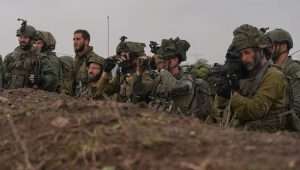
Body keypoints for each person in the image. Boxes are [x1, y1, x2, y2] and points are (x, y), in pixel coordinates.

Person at [216, 24, 289, 132]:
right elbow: (224, 111)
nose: (244, 59)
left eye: (247, 52)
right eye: (241, 54)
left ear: (260, 50)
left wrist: (233, 94)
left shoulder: (274, 76)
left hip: (270, 140)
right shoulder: (247, 76)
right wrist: (223, 92)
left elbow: (256, 110)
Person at [133, 37, 212, 119]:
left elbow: (175, 87)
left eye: (165, 59)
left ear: (175, 60)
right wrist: (139, 73)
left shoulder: (187, 78)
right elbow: (139, 92)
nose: (161, 62)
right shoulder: (159, 79)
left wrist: (162, 70)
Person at [3, 19, 57, 91]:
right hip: (11, 97)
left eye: (25, 38)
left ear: (32, 39)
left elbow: (52, 79)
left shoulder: (40, 58)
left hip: (31, 98)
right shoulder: (9, 57)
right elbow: (2, 77)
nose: (22, 40)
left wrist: (41, 79)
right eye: (20, 37)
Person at [266, 28, 300, 131]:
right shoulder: (269, 70)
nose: (267, 49)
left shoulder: (293, 69)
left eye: (271, 45)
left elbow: (297, 105)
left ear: (284, 46)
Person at [100, 36, 148, 102]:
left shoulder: (146, 73)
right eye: (120, 54)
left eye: (125, 54)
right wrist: (106, 72)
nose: (121, 57)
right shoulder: (121, 71)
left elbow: (138, 96)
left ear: (134, 56)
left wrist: (138, 74)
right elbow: (104, 91)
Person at [72, 29, 104, 96]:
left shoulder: (96, 60)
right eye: (74, 39)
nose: (75, 42)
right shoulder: (75, 60)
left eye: (78, 39)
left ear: (86, 41)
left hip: (91, 100)